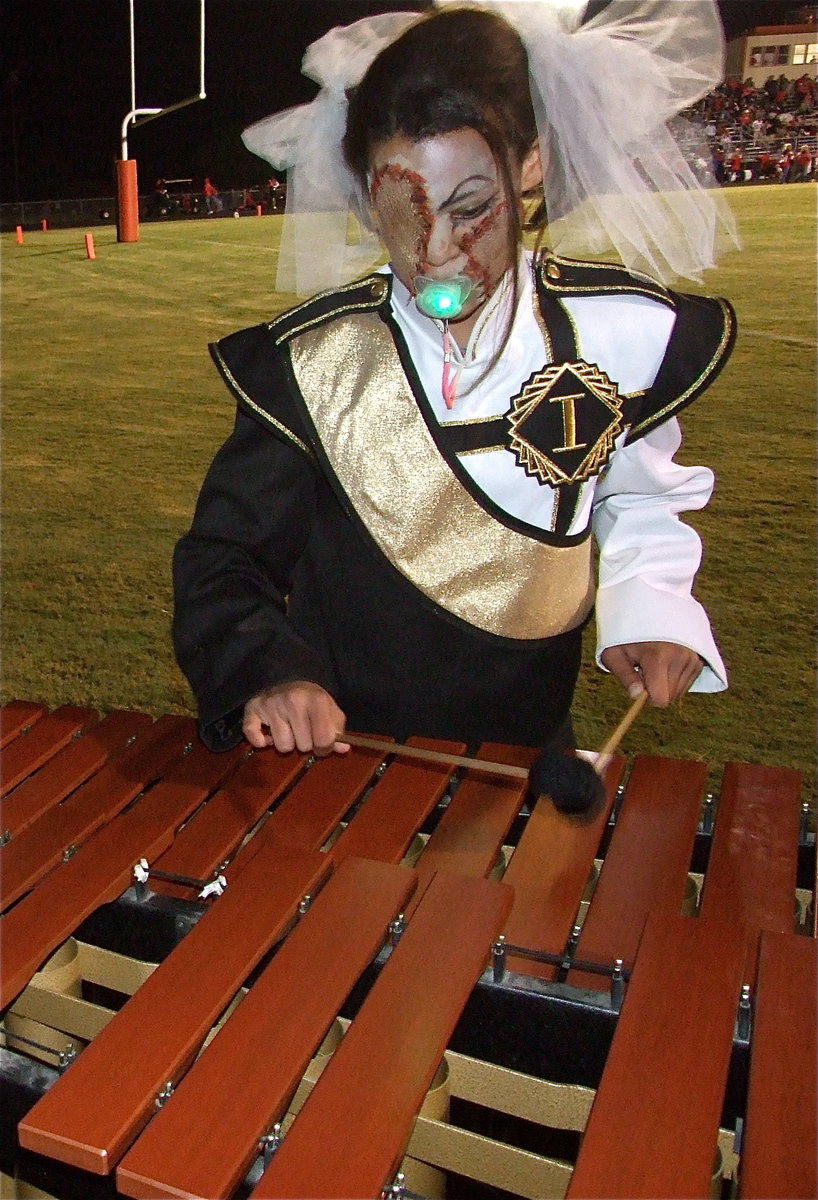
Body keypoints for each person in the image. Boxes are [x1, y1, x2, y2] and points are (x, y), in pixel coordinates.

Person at [173, 0, 738, 760]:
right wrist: (271, 674)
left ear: (530, 164)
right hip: (340, 766)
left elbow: (637, 493)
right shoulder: (314, 367)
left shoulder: (611, 335)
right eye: (403, 213)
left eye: (469, 207)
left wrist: (656, 611)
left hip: (528, 756)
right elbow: (223, 560)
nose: (435, 252)